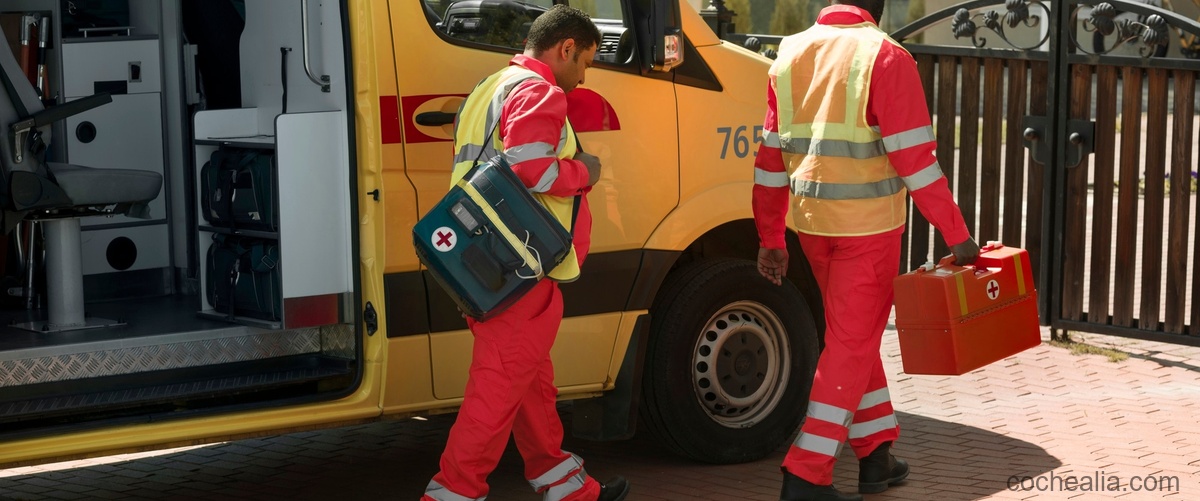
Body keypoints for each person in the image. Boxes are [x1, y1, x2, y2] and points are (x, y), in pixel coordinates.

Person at [751, 1, 981, 500]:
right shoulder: (887, 56)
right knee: (851, 344)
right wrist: (957, 234)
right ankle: (806, 473)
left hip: (811, 223)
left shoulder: (789, 53)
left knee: (850, 336)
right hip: (868, 229)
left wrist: (771, 236)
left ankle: (877, 453)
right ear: (877, 8)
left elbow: (770, 155)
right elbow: (916, 161)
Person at [422, 5, 629, 501]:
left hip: (481, 261)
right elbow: (533, 171)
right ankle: (451, 491)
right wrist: (586, 171)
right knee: (496, 390)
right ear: (566, 48)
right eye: (585, 63)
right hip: (521, 266)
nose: (582, 77)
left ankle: (565, 485)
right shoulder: (541, 92)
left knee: (531, 383)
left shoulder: (490, 88)